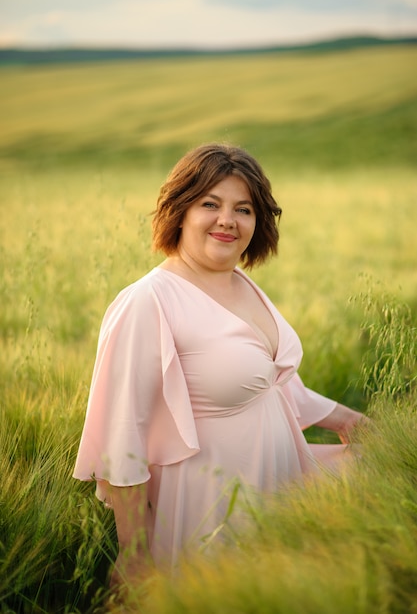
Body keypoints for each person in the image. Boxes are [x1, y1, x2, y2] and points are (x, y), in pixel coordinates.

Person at [73, 143, 367, 585]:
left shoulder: (244, 284)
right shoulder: (147, 302)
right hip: (213, 506)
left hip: (280, 482)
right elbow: (123, 437)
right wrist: (133, 555)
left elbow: (272, 384)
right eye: (210, 203)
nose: (227, 220)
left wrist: (349, 420)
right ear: (180, 211)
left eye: (243, 208)